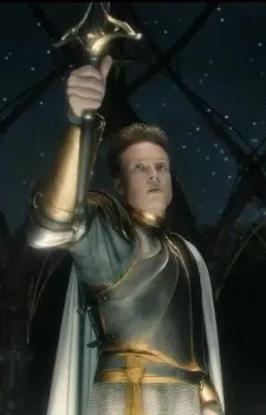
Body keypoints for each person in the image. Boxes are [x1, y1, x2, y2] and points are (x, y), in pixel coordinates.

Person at [27, 56, 225, 415]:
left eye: (161, 167)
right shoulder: (110, 231)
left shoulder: (185, 253)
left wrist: (208, 396)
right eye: (139, 167)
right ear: (119, 184)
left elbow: (193, 345)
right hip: (128, 396)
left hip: (187, 401)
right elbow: (57, 220)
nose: (154, 176)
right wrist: (80, 121)